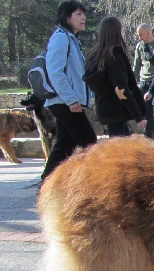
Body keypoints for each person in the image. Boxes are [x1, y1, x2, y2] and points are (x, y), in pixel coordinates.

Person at [41, 0, 97, 181]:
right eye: (78, 14)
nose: (84, 18)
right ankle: (95, 183)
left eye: (84, 14)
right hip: (64, 101)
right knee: (89, 142)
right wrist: (71, 99)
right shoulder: (61, 38)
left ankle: (46, 184)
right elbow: (55, 71)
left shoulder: (70, 38)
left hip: (66, 100)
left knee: (64, 146)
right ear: (67, 17)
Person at [84, 16, 146, 137]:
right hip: (117, 109)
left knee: (124, 144)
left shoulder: (96, 56)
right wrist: (137, 116)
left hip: (106, 108)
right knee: (120, 150)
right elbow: (121, 88)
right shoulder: (114, 57)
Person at [133, 23, 154, 139]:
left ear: (148, 33)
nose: (139, 37)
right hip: (144, 81)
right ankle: (148, 137)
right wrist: (132, 81)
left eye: (141, 35)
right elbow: (136, 66)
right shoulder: (140, 46)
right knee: (146, 112)